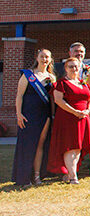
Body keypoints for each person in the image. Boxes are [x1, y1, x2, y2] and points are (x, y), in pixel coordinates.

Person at [12, 49, 56, 186]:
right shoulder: (28, 75)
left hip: (45, 115)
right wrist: (19, 114)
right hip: (28, 115)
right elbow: (19, 96)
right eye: (42, 56)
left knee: (40, 144)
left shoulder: (51, 77)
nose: (44, 59)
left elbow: (52, 99)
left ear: (50, 59)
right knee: (28, 145)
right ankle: (25, 177)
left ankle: (37, 176)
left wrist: (53, 116)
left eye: (47, 57)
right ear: (37, 58)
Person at [48, 57, 90, 184]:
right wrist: (74, 112)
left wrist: (88, 111)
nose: (74, 68)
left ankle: (70, 173)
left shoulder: (83, 83)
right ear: (66, 68)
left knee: (78, 147)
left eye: (76, 66)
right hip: (67, 119)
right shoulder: (62, 83)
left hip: (83, 118)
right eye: (71, 66)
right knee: (69, 147)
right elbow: (58, 100)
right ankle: (74, 177)